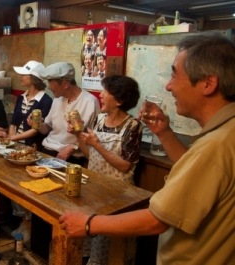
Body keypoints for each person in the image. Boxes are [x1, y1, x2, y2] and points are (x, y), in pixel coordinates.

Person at [59, 32, 235, 264]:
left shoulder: (214, 145)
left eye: (174, 74)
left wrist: (89, 223)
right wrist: (165, 133)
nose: (169, 86)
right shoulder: (226, 133)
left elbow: (158, 219)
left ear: (208, 83)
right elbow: (195, 167)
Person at [69, 75, 142, 264]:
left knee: (108, 249)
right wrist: (78, 134)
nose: (100, 95)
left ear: (119, 100)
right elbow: (89, 156)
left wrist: (98, 145)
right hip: (94, 188)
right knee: (88, 240)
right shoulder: (99, 120)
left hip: (117, 195)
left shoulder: (132, 126)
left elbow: (125, 166)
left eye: (105, 92)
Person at [0, 60, 53, 242]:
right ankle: (22, 220)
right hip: (17, 147)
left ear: (34, 78)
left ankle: (29, 224)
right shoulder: (21, 97)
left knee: (28, 188)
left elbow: (36, 129)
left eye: (24, 75)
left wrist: (12, 139)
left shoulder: (46, 100)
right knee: (14, 184)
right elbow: (14, 122)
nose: (21, 77)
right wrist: (11, 143)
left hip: (32, 149)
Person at [32, 62, 100, 165]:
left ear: (65, 84)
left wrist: (73, 146)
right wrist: (38, 125)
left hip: (72, 157)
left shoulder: (90, 101)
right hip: (47, 149)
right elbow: (47, 128)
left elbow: (94, 137)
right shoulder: (57, 98)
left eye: (50, 82)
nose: (48, 87)